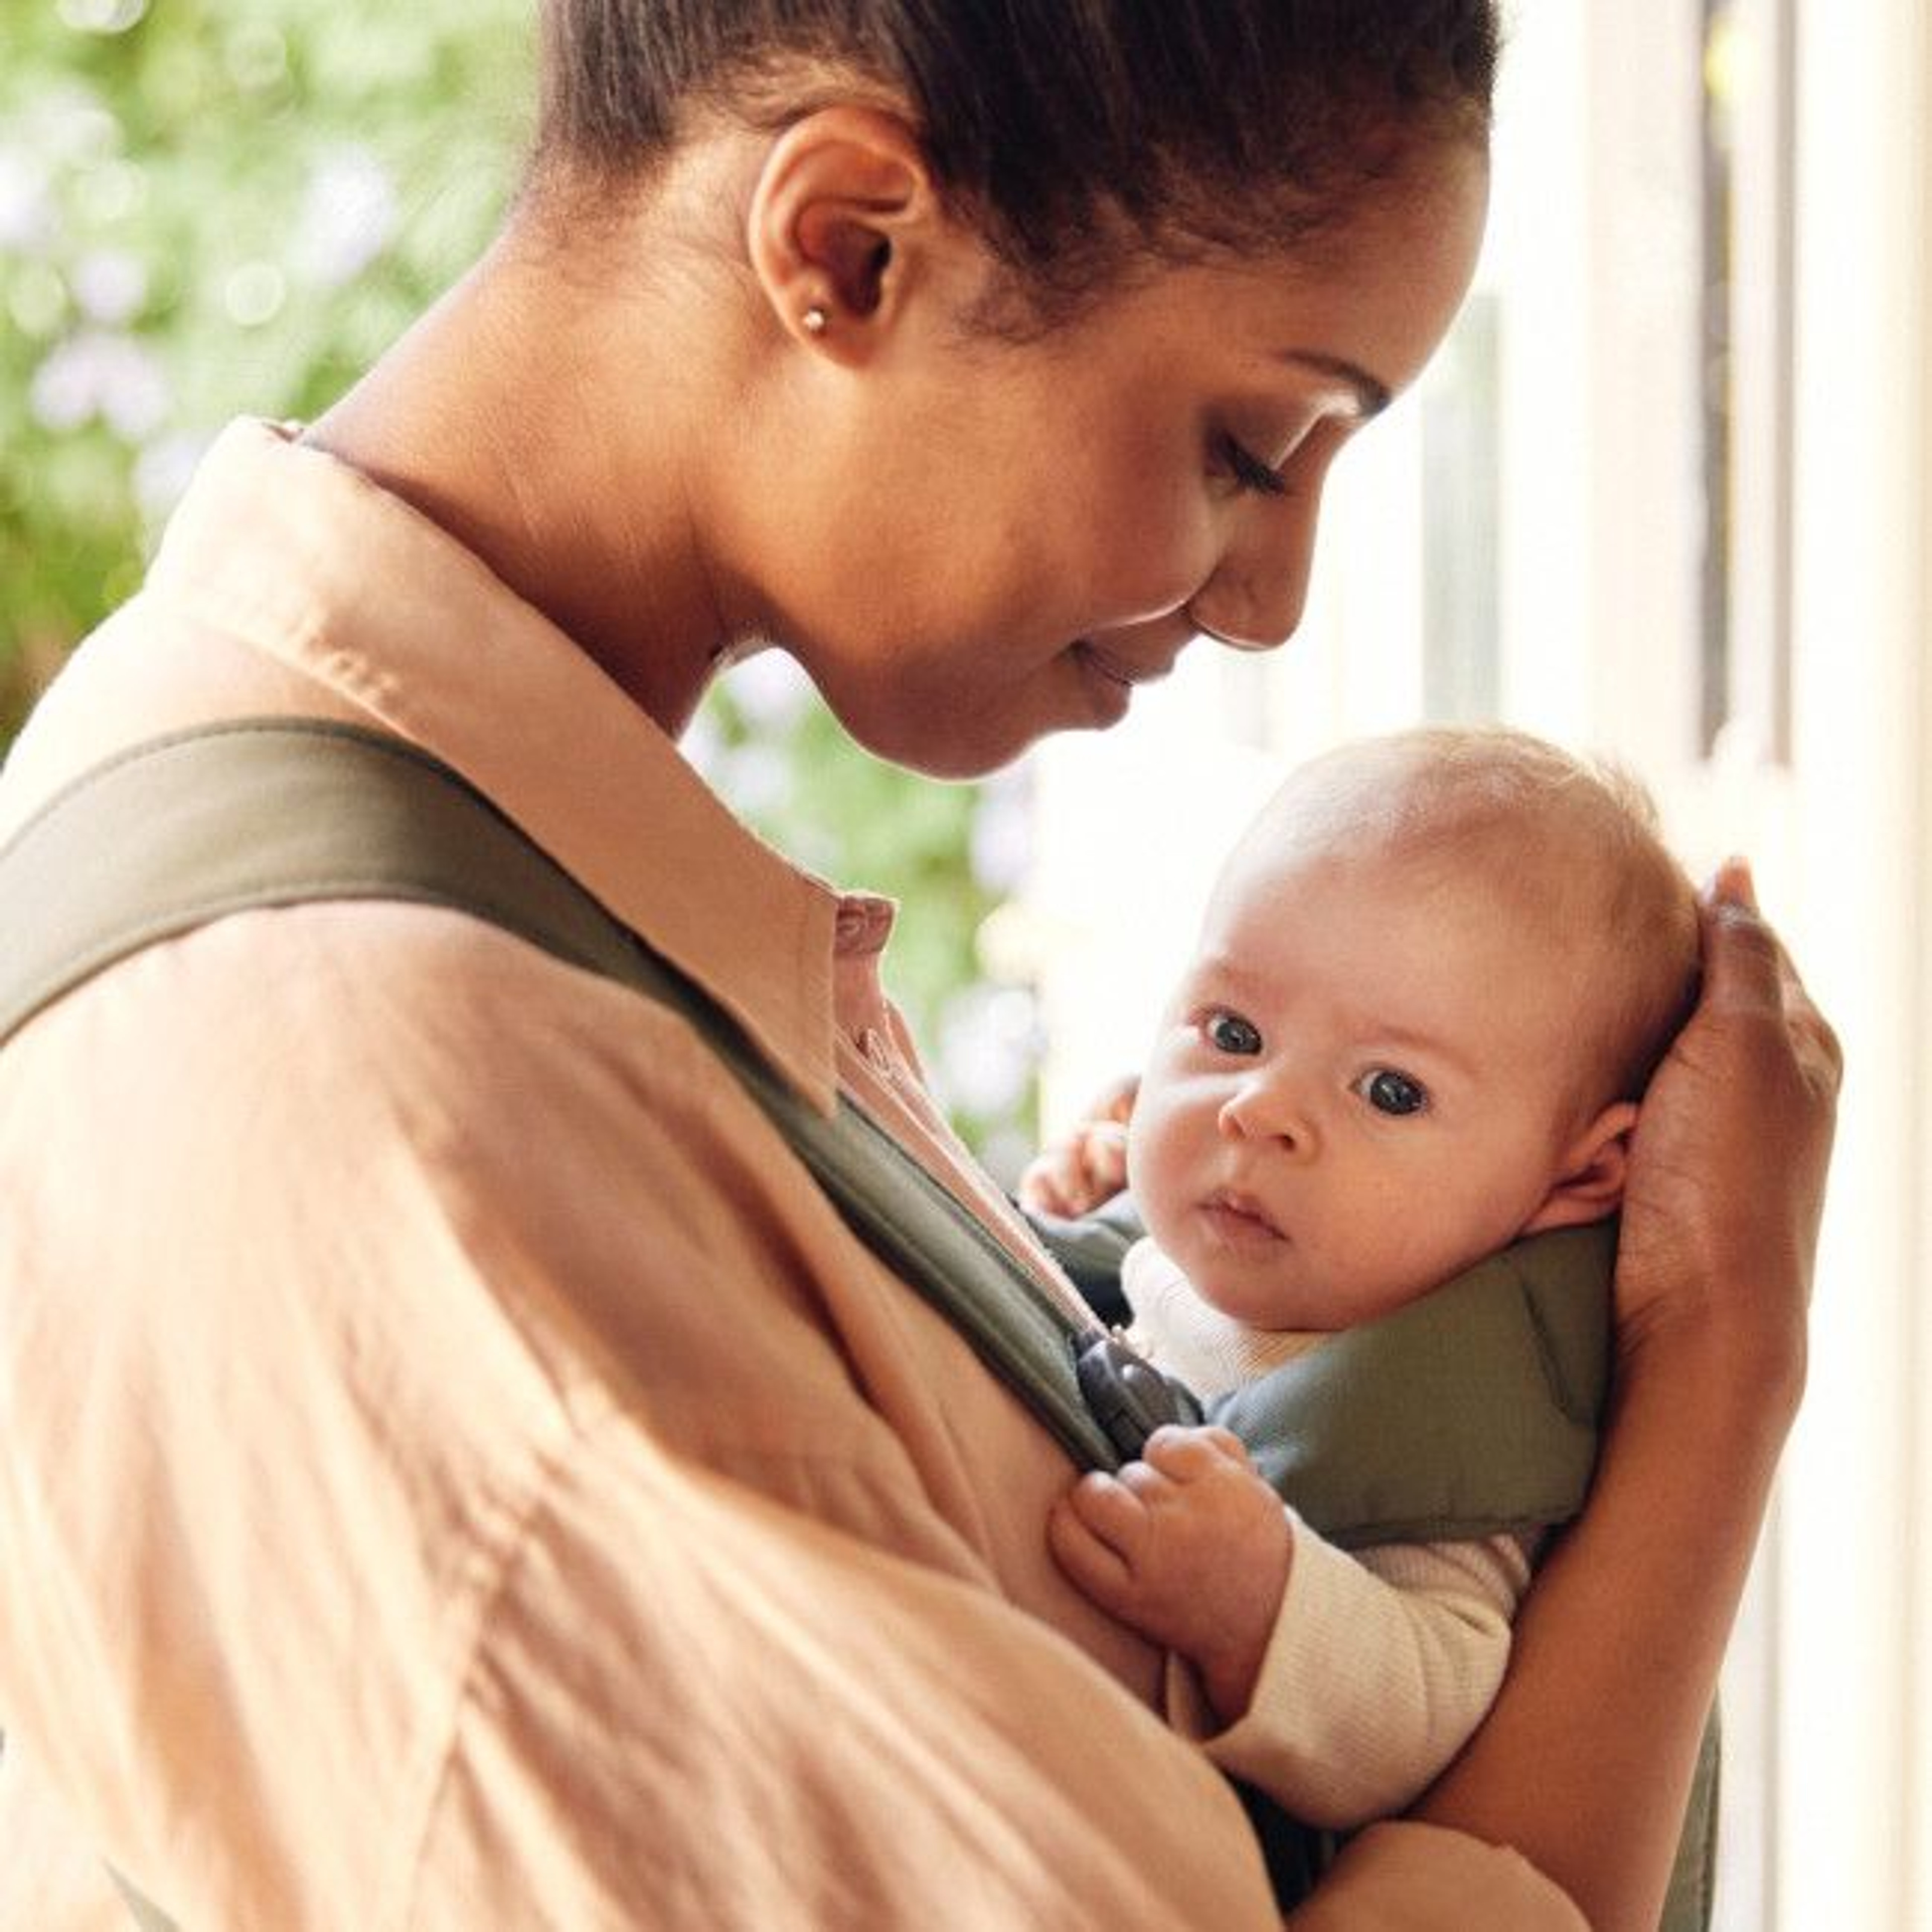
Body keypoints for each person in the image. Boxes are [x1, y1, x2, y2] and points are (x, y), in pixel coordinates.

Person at [0, 5, 1837, 1929]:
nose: (1270, 594)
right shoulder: (424, 1139)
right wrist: (1718, 1364)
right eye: (1248, 445)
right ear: (850, 247)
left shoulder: (505, 879)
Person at [1034, 726, 1701, 1831]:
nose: (1262, 1110)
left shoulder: (1454, 1416)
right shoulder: (1281, 1256)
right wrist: (1083, 1224)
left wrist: (1262, 1601)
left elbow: (1433, 1701)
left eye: (1390, 1092)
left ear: (1581, 1172)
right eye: (1234, 1030)